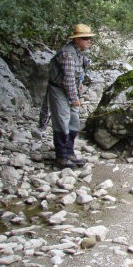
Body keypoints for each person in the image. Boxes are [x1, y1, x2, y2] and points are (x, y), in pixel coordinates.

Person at [45, 24, 94, 168]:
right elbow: (68, 80)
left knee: (74, 121)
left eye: (90, 38)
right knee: (62, 121)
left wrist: (79, 89)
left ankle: (70, 152)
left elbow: (76, 76)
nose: (89, 41)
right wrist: (74, 99)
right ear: (77, 40)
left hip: (70, 90)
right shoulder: (68, 54)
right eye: (86, 38)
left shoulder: (78, 52)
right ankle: (61, 157)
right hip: (59, 91)